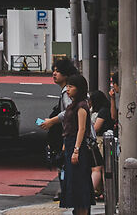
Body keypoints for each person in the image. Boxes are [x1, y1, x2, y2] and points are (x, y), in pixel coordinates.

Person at [43, 79, 96, 214]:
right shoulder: (73, 105)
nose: (68, 89)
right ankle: (78, 211)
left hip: (77, 147)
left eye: (71, 87)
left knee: (80, 184)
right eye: (67, 86)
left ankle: (82, 211)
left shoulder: (82, 106)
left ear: (79, 88)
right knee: (74, 184)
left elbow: (81, 129)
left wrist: (76, 150)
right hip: (70, 144)